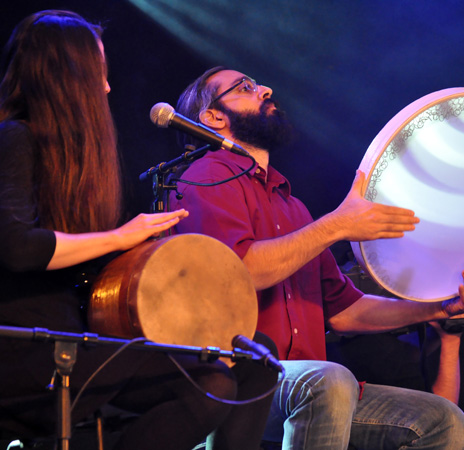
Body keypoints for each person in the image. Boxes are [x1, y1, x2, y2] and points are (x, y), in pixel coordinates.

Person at [170, 66, 464, 450]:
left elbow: (345, 311)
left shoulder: (292, 206)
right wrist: (335, 226)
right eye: (246, 87)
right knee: (329, 382)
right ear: (213, 117)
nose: (265, 89)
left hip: (313, 385)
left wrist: (438, 309)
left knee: (444, 422)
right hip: (236, 382)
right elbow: (239, 271)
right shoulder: (204, 177)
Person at [0, 14, 276, 450]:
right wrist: (121, 237)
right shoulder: (13, 139)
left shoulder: (76, 164)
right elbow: (16, 248)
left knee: (255, 356)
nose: (108, 87)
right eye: (100, 73)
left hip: (80, 337)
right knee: (211, 385)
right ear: (67, 75)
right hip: (29, 352)